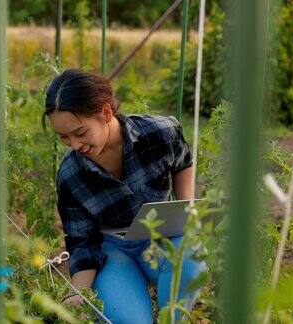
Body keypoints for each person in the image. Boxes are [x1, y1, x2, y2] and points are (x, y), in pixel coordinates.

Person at [44, 69, 207, 323]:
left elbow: (182, 160)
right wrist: (77, 294)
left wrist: (186, 210)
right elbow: (81, 243)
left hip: (159, 237)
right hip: (112, 252)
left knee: (191, 259)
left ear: (106, 113)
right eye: (64, 137)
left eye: (80, 133)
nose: (75, 145)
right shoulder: (71, 174)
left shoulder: (160, 132)